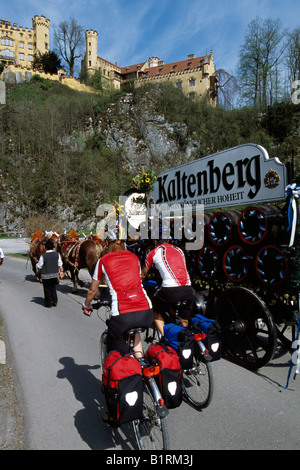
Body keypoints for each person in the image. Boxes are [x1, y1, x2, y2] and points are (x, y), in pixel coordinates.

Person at [83, 229, 153, 357]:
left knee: (115, 348)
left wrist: (86, 305)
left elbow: (93, 290)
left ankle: (121, 369)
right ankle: (141, 363)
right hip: (146, 311)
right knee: (135, 331)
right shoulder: (134, 257)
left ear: (107, 243)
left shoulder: (103, 261)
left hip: (122, 314)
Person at [142, 239, 194, 336]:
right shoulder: (179, 250)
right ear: (168, 240)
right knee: (184, 318)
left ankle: (165, 338)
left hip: (170, 290)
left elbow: (143, 274)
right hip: (188, 289)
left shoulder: (153, 252)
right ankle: (185, 338)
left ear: (155, 241)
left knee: (155, 310)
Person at [36, 239, 64, 308]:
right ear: (53, 247)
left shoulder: (43, 256)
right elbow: (60, 265)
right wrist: (61, 272)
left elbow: (39, 266)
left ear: (46, 247)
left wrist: (38, 273)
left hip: (45, 275)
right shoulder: (57, 254)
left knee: (47, 289)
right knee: (53, 287)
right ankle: (55, 301)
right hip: (54, 275)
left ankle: (48, 303)